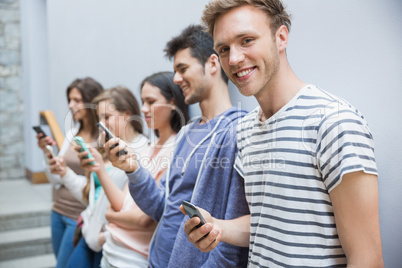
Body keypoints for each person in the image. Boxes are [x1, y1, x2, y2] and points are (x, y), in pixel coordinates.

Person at [182, 1, 384, 267]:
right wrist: (217, 227)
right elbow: (267, 222)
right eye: (224, 49)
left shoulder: (333, 121)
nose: (234, 59)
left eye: (247, 40)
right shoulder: (244, 130)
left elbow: (367, 258)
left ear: (281, 37)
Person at [105, 25, 250, 267]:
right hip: (159, 259)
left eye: (183, 69)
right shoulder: (186, 132)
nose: (176, 79)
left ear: (213, 64)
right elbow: (163, 207)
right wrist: (133, 170)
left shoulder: (236, 131)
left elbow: (232, 235)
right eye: (174, 71)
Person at [78, 79, 189, 268]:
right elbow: (123, 203)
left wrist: (112, 217)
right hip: (113, 250)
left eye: (151, 102)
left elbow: (144, 219)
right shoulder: (150, 149)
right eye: (143, 101)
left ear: (172, 103)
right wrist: (98, 168)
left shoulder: (175, 151)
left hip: (133, 257)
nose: (144, 109)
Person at [36, 77, 104, 268]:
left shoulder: (103, 138)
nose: (70, 105)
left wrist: (64, 173)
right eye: (70, 99)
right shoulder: (72, 133)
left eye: (77, 100)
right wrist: (47, 155)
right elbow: (55, 179)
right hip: (58, 210)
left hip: (79, 216)